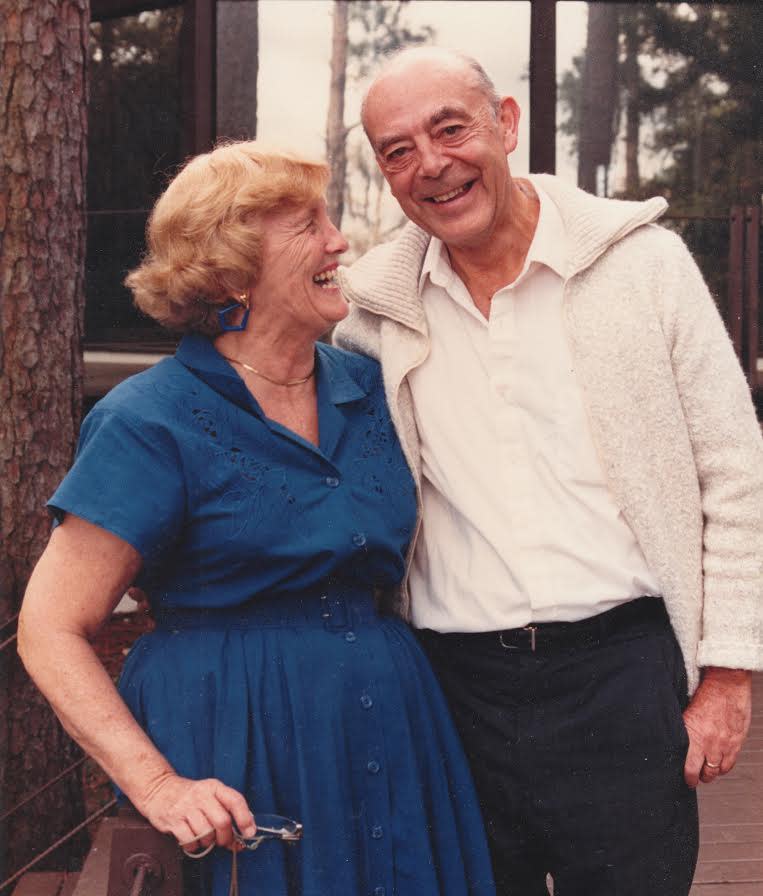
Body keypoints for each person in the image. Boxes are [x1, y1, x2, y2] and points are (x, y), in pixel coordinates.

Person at [333, 46, 763, 896]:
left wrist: (727, 675)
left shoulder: (642, 266)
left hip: (623, 677)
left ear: (505, 123)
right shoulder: (371, 313)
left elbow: (735, 474)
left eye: (450, 128)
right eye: (397, 151)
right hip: (453, 695)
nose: (431, 165)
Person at [17, 142, 496, 896]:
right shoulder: (149, 420)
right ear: (230, 264)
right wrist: (159, 786)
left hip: (391, 722)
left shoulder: (369, 385)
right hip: (230, 735)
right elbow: (49, 629)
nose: (338, 241)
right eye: (308, 224)